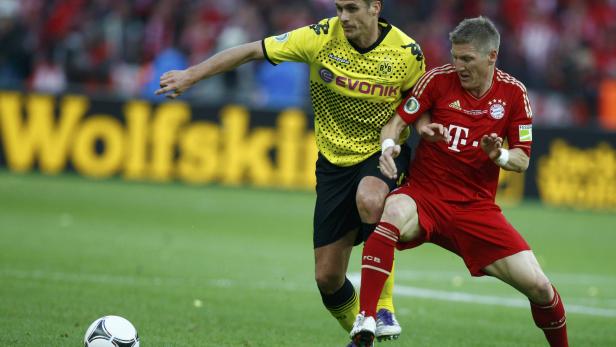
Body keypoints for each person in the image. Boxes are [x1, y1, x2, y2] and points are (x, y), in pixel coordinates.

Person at [155, 0, 425, 343]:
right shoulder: (319, 37)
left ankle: (382, 307)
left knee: (371, 200)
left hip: (382, 153)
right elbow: (252, 50)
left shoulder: (407, 52)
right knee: (327, 277)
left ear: (375, 8)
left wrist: (425, 134)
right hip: (333, 163)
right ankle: (363, 333)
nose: (343, 16)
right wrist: (192, 74)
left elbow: (420, 101)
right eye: (340, 7)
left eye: (352, 8)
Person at [350, 16, 568, 347]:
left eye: (467, 58)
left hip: (476, 211)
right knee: (390, 214)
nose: (458, 65)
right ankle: (366, 319)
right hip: (424, 197)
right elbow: (396, 123)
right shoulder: (437, 81)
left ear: (491, 56)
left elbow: (522, 159)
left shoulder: (513, 94)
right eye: (455, 56)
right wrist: (388, 148)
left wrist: (499, 156)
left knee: (539, 287)